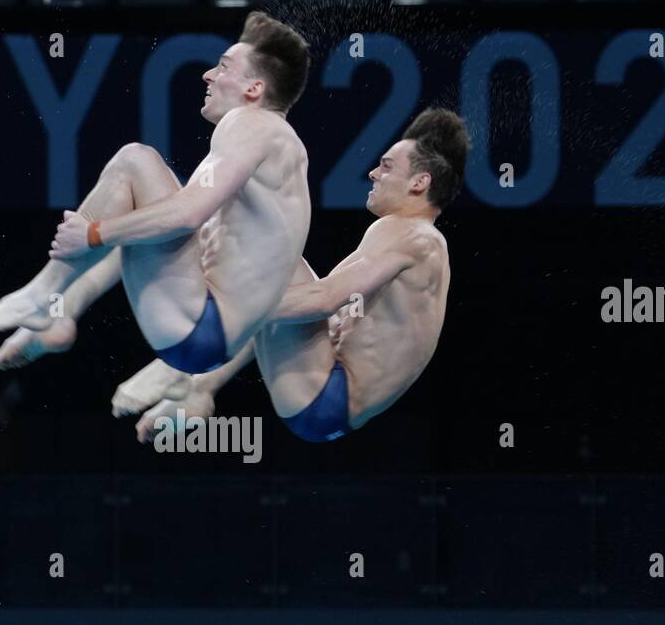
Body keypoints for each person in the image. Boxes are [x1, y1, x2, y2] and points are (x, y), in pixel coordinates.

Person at [0, 11, 313, 386]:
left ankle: (42, 294)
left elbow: (187, 215)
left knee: (135, 161)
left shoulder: (251, 124)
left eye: (224, 66)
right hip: (208, 336)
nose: (208, 74)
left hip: (199, 323)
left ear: (254, 90)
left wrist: (93, 233)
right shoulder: (278, 149)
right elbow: (171, 222)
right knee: (143, 219)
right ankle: (58, 307)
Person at [114, 107, 468, 444]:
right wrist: (205, 383)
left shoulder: (414, 236)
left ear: (420, 182)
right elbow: (292, 309)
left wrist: (205, 340)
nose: (374, 173)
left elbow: (322, 301)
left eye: (387, 167)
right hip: (325, 403)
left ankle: (189, 356)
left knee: (248, 224)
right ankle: (197, 389)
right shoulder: (412, 240)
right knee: (270, 267)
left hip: (327, 393)